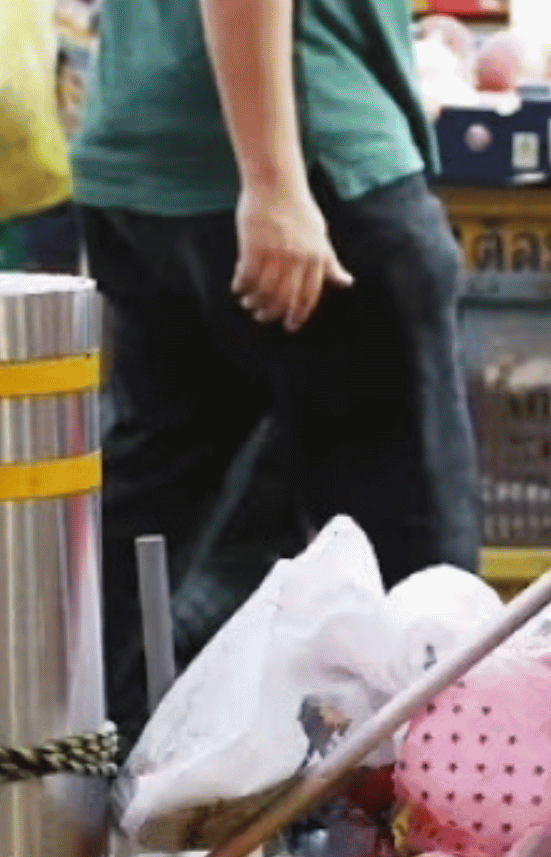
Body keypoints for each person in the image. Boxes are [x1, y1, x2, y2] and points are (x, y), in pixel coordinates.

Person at [73, 0, 482, 745]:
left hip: (148, 151)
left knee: (149, 499)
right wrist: (272, 181)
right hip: (303, 164)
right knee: (417, 583)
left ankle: (55, 781)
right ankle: (433, 824)